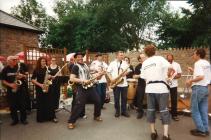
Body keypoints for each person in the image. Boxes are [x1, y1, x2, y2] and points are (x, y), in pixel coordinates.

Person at [141, 44, 174, 140]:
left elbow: (144, 78)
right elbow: (171, 67)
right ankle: (165, 135)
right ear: (155, 51)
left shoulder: (145, 62)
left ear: (146, 53)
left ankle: (153, 132)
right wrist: (167, 76)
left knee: (150, 110)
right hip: (161, 88)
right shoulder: (160, 58)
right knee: (164, 110)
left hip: (150, 88)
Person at [68, 52, 103, 129]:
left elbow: (89, 75)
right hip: (81, 88)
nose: (80, 58)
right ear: (75, 58)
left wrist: (98, 75)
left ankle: (96, 116)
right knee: (79, 105)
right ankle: (71, 121)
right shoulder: (75, 67)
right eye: (78, 57)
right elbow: (72, 78)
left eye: (81, 57)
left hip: (90, 87)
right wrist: (83, 81)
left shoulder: (86, 65)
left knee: (98, 100)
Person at [186, 48, 210, 137]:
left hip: (198, 88)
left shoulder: (198, 63)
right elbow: (204, 75)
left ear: (198, 55)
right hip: (205, 88)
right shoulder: (207, 63)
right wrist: (193, 71)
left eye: (194, 54)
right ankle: (206, 129)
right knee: (203, 110)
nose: (193, 55)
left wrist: (190, 81)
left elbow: (201, 77)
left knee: (194, 110)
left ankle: (201, 130)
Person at [1, 56, 28, 125]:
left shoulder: (19, 67)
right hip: (11, 90)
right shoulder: (5, 69)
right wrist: (10, 85)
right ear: (8, 61)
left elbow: (25, 76)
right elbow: (3, 80)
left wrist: (22, 76)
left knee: (23, 105)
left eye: (15, 60)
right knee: (12, 106)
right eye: (13, 60)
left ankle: (23, 119)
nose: (15, 61)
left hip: (21, 90)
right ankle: (14, 120)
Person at [31, 57, 57, 123]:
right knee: (41, 103)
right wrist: (40, 85)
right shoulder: (36, 69)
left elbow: (50, 77)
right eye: (42, 61)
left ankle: (51, 117)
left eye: (45, 61)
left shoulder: (47, 69)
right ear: (39, 62)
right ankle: (41, 118)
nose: (44, 62)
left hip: (47, 87)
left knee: (49, 102)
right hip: (40, 88)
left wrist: (51, 77)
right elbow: (32, 80)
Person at [107, 51, 130, 118]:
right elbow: (108, 72)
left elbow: (128, 71)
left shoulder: (125, 63)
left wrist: (124, 73)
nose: (122, 56)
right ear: (116, 56)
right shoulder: (112, 63)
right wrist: (111, 79)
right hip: (116, 83)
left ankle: (124, 111)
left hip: (124, 83)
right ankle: (117, 111)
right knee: (116, 99)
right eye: (120, 55)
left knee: (124, 98)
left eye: (122, 55)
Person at [166, 54, 182, 121]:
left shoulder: (177, 65)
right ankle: (164, 115)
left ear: (173, 58)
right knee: (164, 100)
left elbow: (179, 74)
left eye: (170, 57)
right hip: (165, 84)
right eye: (168, 57)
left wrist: (172, 77)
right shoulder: (164, 64)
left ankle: (174, 115)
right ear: (166, 58)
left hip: (174, 85)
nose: (169, 58)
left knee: (174, 100)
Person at [133, 53, 147, 119]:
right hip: (141, 84)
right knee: (139, 99)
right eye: (141, 58)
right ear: (139, 59)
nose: (143, 59)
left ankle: (151, 112)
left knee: (151, 99)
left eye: (144, 57)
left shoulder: (149, 65)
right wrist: (141, 75)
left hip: (149, 84)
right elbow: (135, 76)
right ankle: (140, 112)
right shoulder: (138, 67)